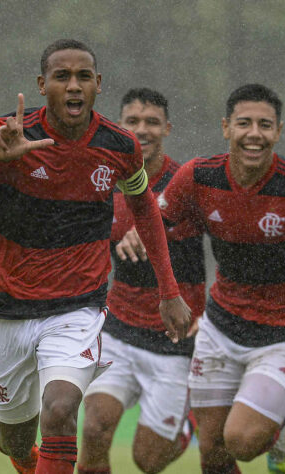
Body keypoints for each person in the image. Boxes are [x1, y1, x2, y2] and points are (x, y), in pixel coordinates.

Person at [0, 39, 191, 474]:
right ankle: (18, 447)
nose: (74, 86)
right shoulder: (4, 132)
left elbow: (145, 206)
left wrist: (169, 290)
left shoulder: (118, 145)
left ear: (98, 85)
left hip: (77, 306)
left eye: (83, 77)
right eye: (62, 77)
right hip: (6, 308)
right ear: (41, 85)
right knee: (16, 436)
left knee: (61, 411)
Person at [117, 83, 285, 473]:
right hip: (222, 325)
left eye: (264, 125)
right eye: (244, 123)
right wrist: (141, 231)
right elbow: (157, 217)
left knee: (239, 440)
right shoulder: (199, 177)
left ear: (278, 131)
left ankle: (276, 430)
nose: (254, 134)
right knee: (213, 451)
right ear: (226, 128)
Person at [78, 88, 206, 474]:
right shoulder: (104, 184)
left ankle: (187, 423)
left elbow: (233, 240)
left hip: (175, 342)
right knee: (95, 429)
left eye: (152, 122)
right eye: (132, 121)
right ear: (120, 127)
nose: (142, 130)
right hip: (119, 330)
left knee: (147, 460)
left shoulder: (186, 184)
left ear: (167, 128)